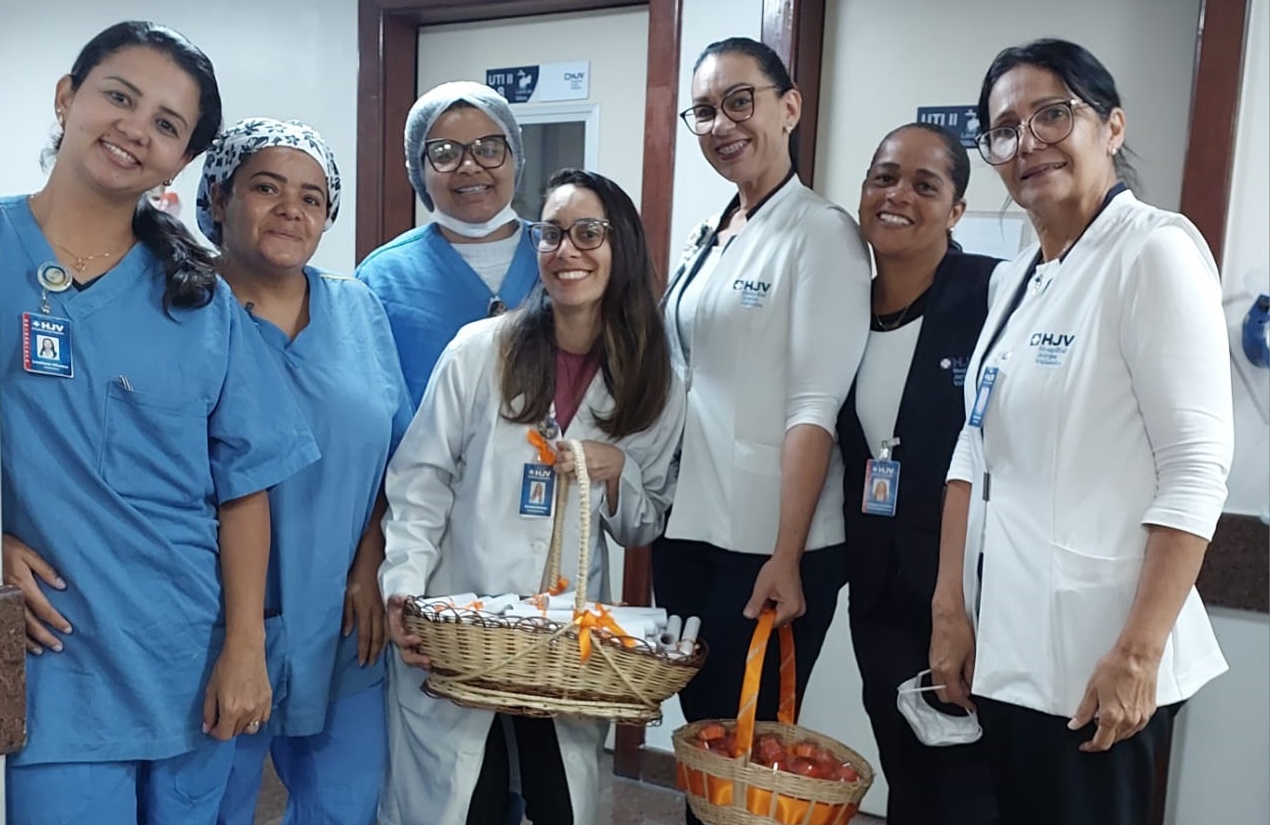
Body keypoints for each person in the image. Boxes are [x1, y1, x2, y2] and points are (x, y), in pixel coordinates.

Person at [0, 22, 318, 825]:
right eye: (118, 96)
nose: (136, 128)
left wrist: (245, 647)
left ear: (179, 160)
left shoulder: (199, 300)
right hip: (58, 662)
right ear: (68, 97)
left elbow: (245, 483)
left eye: (168, 124)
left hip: (188, 653)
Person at [929, 38, 1233, 825]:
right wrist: (950, 611)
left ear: (1113, 126)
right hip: (1011, 650)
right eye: (1004, 128)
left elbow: (1196, 468)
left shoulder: (1153, 252)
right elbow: (973, 448)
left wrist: (1138, 652)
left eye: (1051, 114)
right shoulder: (1016, 279)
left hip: (1101, 660)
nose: (1026, 142)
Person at [379, 169, 685, 825]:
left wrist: (614, 470)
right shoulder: (478, 351)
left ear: (620, 246)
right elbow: (419, 482)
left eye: (587, 233)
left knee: (561, 804)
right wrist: (402, 582)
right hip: (463, 627)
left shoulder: (654, 377)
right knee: (468, 803)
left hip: (566, 645)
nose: (566, 250)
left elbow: (642, 521)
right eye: (551, 233)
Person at [651, 39, 870, 823]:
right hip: (690, 525)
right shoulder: (710, 234)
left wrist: (786, 553)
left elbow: (815, 405)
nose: (720, 124)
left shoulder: (822, 235)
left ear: (790, 106)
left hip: (768, 541)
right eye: (704, 111)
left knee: (747, 752)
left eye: (739, 101)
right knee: (705, 751)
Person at [196, 118, 414, 825]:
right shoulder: (183, 308)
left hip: (343, 614)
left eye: (313, 197)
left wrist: (369, 560)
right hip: (210, 618)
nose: (292, 208)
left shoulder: (357, 308)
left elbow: (398, 453)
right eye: (267, 187)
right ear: (220, 198)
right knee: (203, 805)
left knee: (344, 805)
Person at [837, 123, 1000, 825]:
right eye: (883, 177)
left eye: (924, 184)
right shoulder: (838, 302)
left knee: (967, 782)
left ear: (956, 209)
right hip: (877, 581)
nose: (898, 194)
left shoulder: (994, 294)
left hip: (971, 591)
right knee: (905, 764)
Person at [357, 80, 539, 406]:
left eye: (488, 149)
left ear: (516, 159)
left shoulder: (562, 256)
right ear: (419, 170)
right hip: (422, 458)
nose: (469, 166)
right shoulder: (382, 278)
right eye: (445, 153)